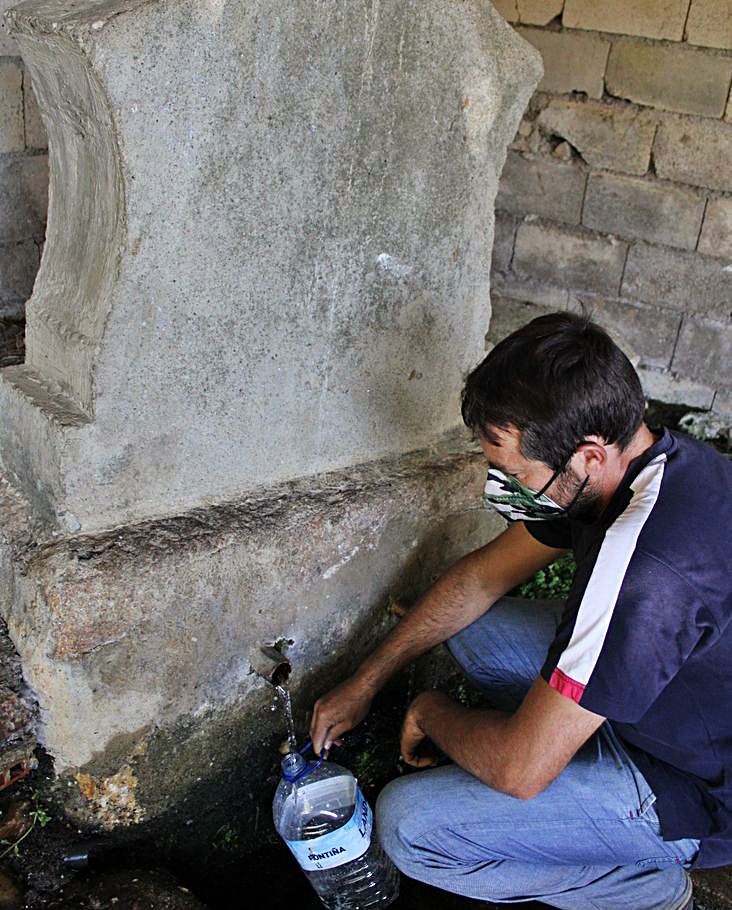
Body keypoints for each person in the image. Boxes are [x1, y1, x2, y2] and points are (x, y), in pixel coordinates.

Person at [309, 312, 732, 910]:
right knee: (476, 631)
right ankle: (580, 739)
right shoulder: (644, 462)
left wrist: (431, 713)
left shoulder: (640, 572)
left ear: (586, 455)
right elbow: (481, 578)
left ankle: (648, 889)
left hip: (698, 790)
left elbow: (518, 771)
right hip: (674, 703)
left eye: (517, 474)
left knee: (409, 827)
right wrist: (367, 680)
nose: (511, 488)